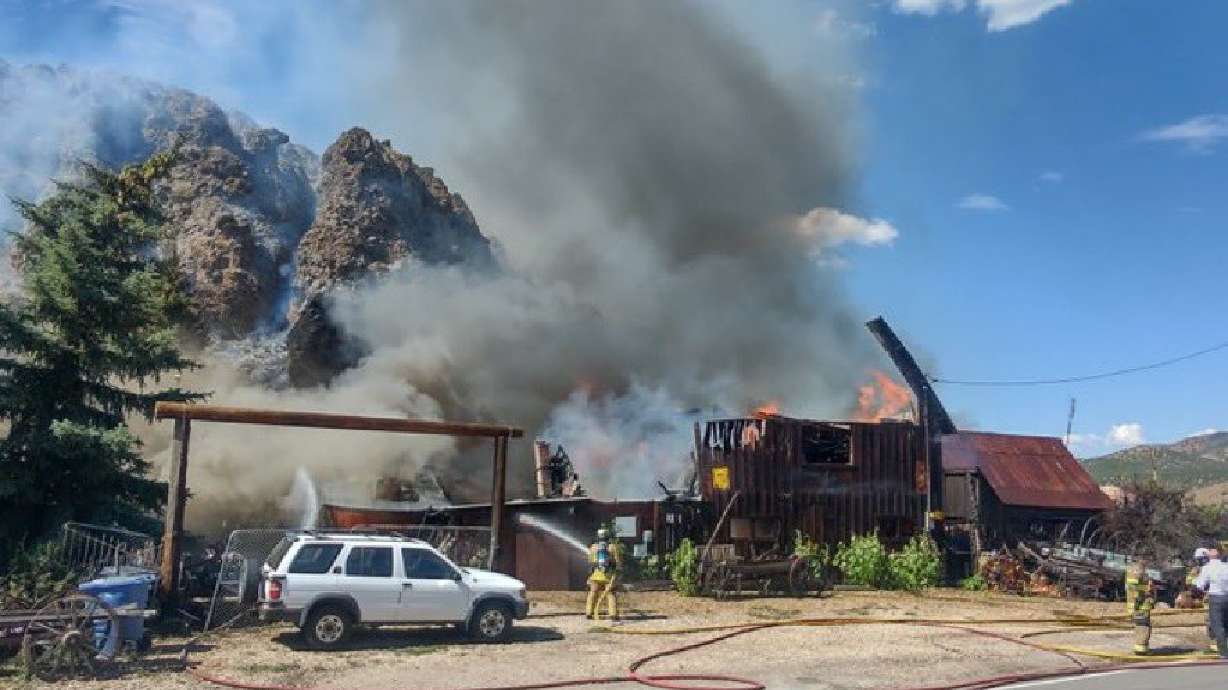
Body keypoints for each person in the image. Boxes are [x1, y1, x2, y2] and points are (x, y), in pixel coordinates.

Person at [1195, 548, 1228, 658]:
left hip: (1216, 598)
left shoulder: (1207, 568)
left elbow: (1200, 585)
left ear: (1208, 557)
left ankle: (1224, 652)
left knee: (1218, 625)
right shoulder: (1226, 566)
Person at [585, 527, 624, 621]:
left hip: (595, 576)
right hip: (608, 577)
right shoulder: (612, 547)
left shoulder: (593, 547)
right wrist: (617, 572)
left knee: (592, 593)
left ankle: (589, 613)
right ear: (608, 536)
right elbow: (618, 562)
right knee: (611, 594)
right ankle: (613, 615)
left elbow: (590, 561)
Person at [1124, 560, 1155, 655]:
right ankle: (1141, 650)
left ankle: (1141, 648)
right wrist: (1148, 589)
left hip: (1140, 605)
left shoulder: (1135, 572)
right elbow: (1133, 588)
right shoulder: (1137, 572)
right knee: (1143, 627)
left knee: (1141, 626)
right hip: (1141, 606)